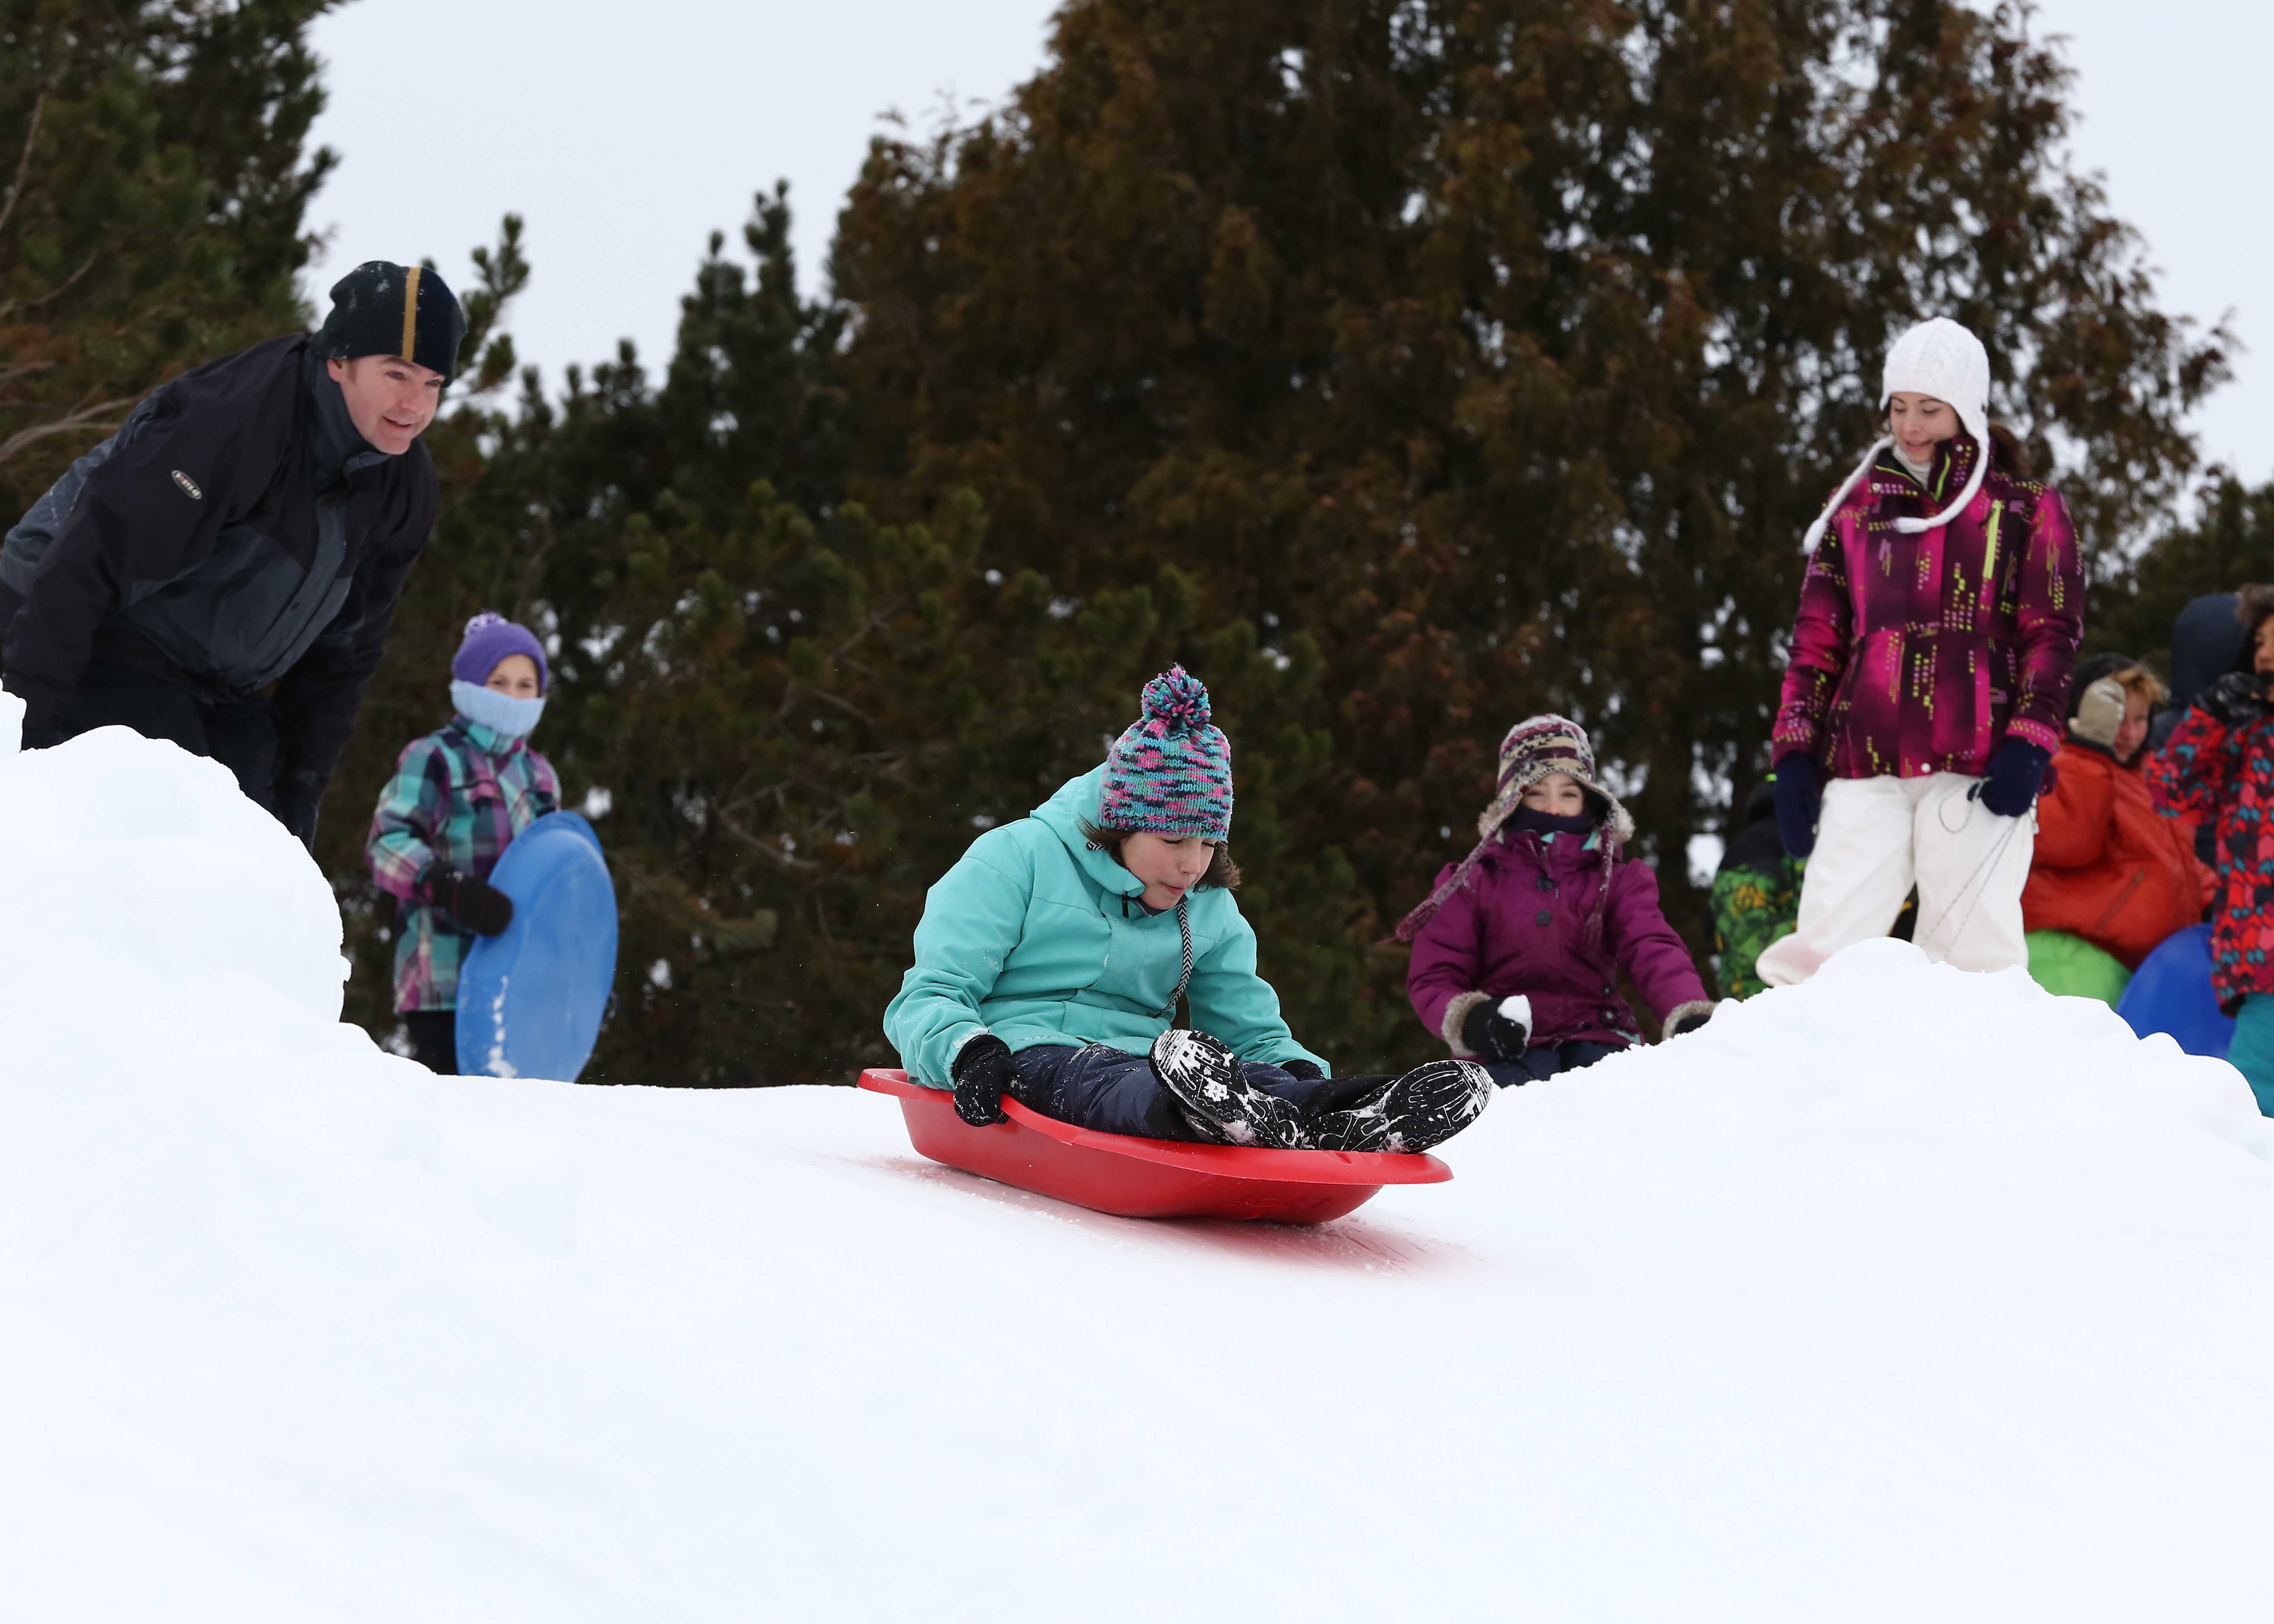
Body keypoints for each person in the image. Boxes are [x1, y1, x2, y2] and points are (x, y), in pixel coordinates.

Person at [884, 667, 1491, 1153]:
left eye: (1209, 843)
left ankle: (1352, 1114)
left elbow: (1248, 1026)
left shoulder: (1204, 904)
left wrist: (1296, 1070)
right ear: (1121, 823)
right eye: (1174, 842)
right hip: (1023, 1051)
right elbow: (930, 994)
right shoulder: (1014, 858)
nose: (1192, 867)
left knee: (1246, 1080)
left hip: (1155, 1061)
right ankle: (1208, 1116)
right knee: (1102, 1082)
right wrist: (969, 1051)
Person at [0, 261, 466, 845]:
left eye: (433, 384)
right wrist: (24, 719)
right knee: (177, 835)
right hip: (79, 619)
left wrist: (299, 793)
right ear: (339, 361)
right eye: (397, 374)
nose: (415, 405)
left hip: (213, 679)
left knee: (261, 845)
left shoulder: (404, 486)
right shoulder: (241, 419)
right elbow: (93, 552)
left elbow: (345, 653)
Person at [1758, 317, 2083, 985]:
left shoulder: (2024, 509)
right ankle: (1792, 1074)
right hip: (1865, 758)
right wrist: (1793, 753)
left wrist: (2031, 740)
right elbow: (1817, 640)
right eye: (1899, 407)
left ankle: (1974, 1085)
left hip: (1979, 762)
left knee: (1972, 958)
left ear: (1966, 410)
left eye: (1929, 409)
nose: (1910, 425)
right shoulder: (1854, 511)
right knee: (1825, 945)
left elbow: (2052, 633)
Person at [1400, 714, 1715, 1084]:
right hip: (1507, 1046)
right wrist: (1473, 1021)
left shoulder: (1615, 879)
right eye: (1536, 793)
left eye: (1568, 794)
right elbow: (1435, 974)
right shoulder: (1472, 881)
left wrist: (1686, 1008)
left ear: (1589, 801)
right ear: (1512, 800)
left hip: (1599, 1036)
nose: (1553, 807)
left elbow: (1651, 946)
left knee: (1620, 1105)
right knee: (1507, 1115)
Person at [368, 613, 561, 1075]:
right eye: (498, 682)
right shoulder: (435, 756)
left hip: (516, 985)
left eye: (524, 685)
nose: (512, 696)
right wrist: (448, 887)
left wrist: (570, 963)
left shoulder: (540, 777)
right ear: (472, 685)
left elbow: (555, 880)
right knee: (458, 1119)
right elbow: (387, 844)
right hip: (443, 980)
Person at [2022, 656, 2211, 1006]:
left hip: (2144, 967)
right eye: (2117, 718)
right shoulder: (2054, 763)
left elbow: (2170, 860)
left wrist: (2218, 900)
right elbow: (2069, 841)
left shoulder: (2148, 777)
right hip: (2073, 956)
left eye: (2140, 719)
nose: (2129, 733)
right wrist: (2088, 749)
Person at [2149, 586, 2274, 1115]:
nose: (2265, 653)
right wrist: (2209, 716)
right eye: (2260, 641)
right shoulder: (2244, 726)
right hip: (2260, 943)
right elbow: (2170, 788)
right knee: (2255, 1097)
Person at [1710, 777, 1802, 999]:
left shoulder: (1733, 856)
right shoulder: (1797, 843)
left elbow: (1712, 927)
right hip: (1786, 990)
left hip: (1740, 995)